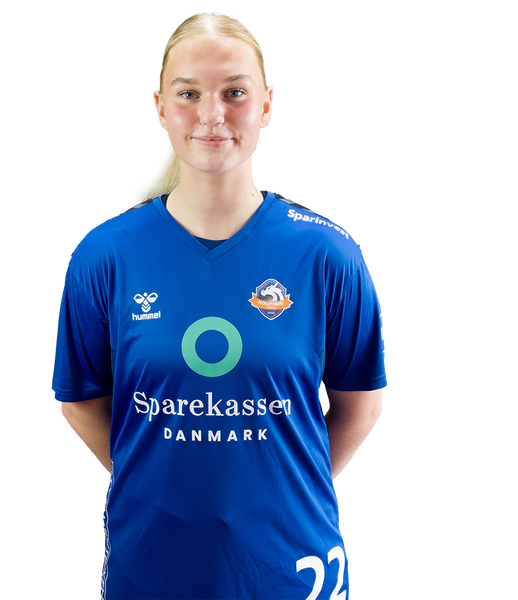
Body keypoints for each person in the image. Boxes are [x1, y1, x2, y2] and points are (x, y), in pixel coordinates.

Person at [50, 7, 389, 599]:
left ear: (268, 105)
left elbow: (361, 405)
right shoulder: (104, 253)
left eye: (235, 92)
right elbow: (80, 402)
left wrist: (282, 487)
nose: (212, 115)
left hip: (293, 569)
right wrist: (157, 483)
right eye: (189, 93)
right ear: (159, 105)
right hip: (151, 567)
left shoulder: (328, 252)